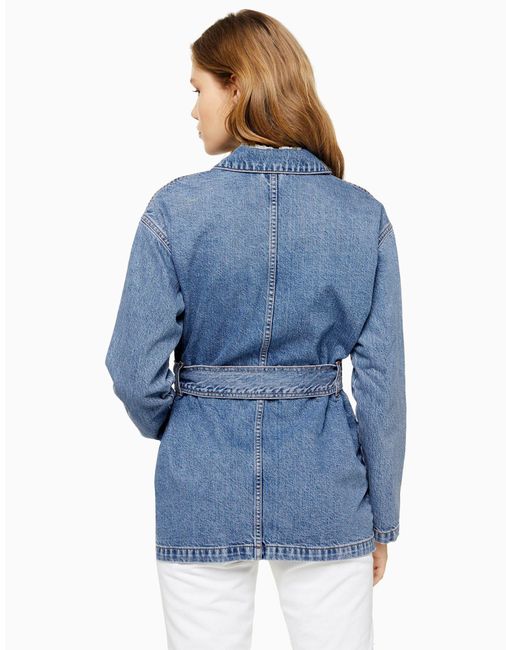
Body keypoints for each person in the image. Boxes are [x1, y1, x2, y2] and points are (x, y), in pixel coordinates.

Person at [105, 9, 406, 650]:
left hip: (199, 482)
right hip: (327, 487)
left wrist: (187, 423)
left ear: (236, 86)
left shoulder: (173, 211)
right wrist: (382, 518)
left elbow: (132, 369)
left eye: (198, 89)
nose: (193, 110)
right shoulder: (364, 217)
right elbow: (383, 389)